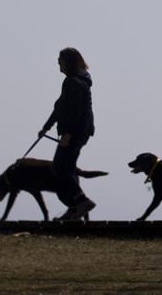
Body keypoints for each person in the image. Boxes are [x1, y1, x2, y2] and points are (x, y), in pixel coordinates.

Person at [38, 47, 96, 221]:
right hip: (81, 132)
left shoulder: (72, 82)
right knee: (66, 168)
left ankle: (81, 202)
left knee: (59, 168)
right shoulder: (79, 80)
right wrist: (46, 127)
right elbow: (60, 107)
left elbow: (75, 112)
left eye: (60, 60)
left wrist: (67, 134)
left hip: (75, 132)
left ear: (68, 62)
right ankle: (74, 208)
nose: (58, 63)